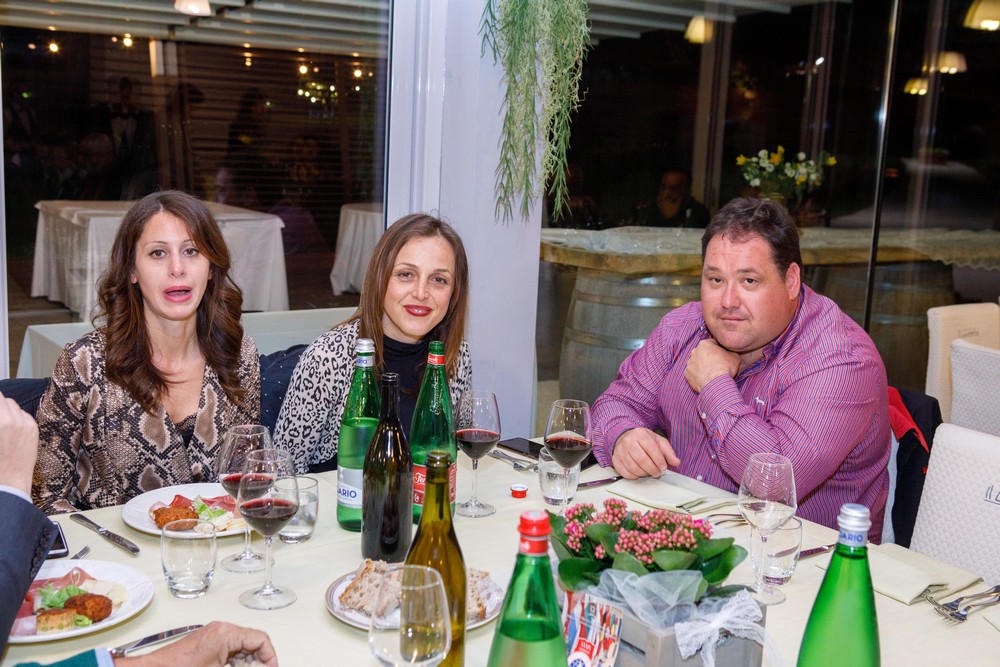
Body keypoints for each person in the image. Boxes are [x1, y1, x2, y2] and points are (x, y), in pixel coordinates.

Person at [591, 197, 890, 540]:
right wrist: (622, 436)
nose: (728, 301)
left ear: (791, 281)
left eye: (749, 281)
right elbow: (614, 403)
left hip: (798, 558)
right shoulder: (683, 327)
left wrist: (714, 383)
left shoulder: (843, 361)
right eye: (716, 280)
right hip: (686, 537)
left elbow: (774, 484)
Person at [0, 394, 279, 666]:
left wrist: (175, 657)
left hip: (210, 573)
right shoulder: (82, 369)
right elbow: (47, 496)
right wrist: (12, 485)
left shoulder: (239, 367)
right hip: (124, 564)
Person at [32, 191, 261, 514]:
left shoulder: (237, 354)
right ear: (132, 271)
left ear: (211, 267)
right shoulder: (85, 362)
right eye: (157, 253)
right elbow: (43, 497)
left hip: (215, 542)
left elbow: (246, 482)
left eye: (191, 251)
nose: (177, 268)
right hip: (109, 544)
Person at [274, 214, 472, 473]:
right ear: (380, 278)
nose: (421, 293)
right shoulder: (328, 358)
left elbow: (456, 461)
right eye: (406, 274)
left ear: (454, 292)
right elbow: (281, 475)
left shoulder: (456, 356)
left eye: (439, 280)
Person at [641, 168, 710, 228]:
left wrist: (671, 218)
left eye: (674, 189)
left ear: (687, 191)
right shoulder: (653, 209)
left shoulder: (699, 212)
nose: (666, 194)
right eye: (663, 187)